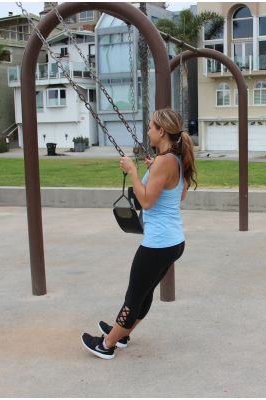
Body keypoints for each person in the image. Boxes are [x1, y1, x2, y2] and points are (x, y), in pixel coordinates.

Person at [81, 108, 197, 360]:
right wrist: (152, 171)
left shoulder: (164, 162)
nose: (148, 131)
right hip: (173, 241)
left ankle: (107, 344)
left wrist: (133, 172)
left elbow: (145, 202)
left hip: (158, 244)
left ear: (161, 131)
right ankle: (122, 333)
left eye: (150, 127)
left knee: (134, 295)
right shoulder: (174, 159)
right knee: (144, 293)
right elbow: (179, 193)